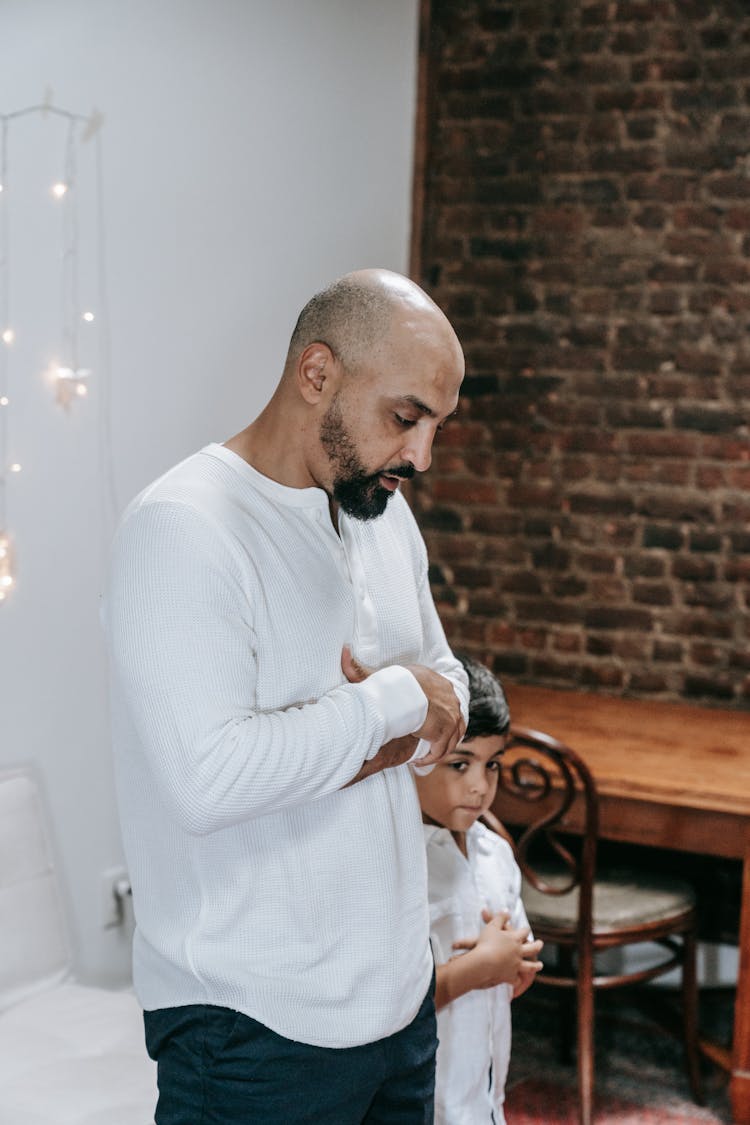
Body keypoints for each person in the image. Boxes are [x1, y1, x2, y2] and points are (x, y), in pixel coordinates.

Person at [102, 268, 470, 1125]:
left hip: (399, 1004)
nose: (421, 456)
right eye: (405, 416)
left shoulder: (381, 512)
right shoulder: (183, 526)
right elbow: (212, 780)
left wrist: (355, 727)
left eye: (436, 427)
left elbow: (449, 691)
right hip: (252, 1027)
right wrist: (387, 705)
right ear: (318, 375)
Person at [413, 654, 543, 1125]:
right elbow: (390, 1004)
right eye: (459, 764)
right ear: (415, 758)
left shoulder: (495, 854)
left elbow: (514, 958)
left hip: (483, 1089)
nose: (479, 787)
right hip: (425, 1094)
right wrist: (481, 966)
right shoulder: (403, 867)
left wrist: (515, 963)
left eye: (492, 765)